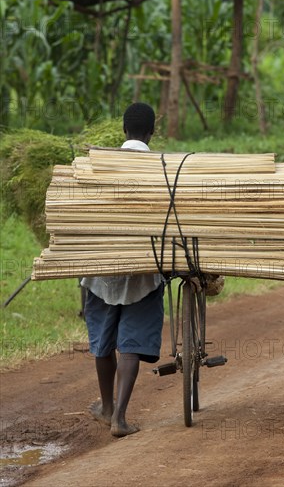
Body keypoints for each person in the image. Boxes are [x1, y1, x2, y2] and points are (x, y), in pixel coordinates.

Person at [81, 102, 164, 437]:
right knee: (130, 341)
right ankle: (120, 418)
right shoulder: (161, 167)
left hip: (101, 267)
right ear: (152, 132)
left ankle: (106, 406)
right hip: (143, 269)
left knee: (104, 340)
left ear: (123, 130)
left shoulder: (97, 164)